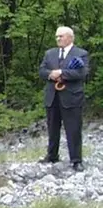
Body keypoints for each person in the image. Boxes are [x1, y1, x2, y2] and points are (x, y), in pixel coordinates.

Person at [38, 26, 89, 172]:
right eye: (57, 36)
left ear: (70, 37)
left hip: (71, 97)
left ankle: (76, 160)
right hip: (52, 96)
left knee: (73, 129)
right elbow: (42, 71)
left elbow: (82, 73)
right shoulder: (50, 54)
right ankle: (52, 155)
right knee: (52, 127)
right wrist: (50, 74)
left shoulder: (81, 53)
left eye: (61, 36)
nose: (58, 39)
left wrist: (62, 73)